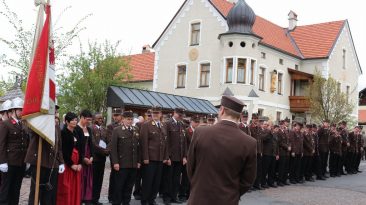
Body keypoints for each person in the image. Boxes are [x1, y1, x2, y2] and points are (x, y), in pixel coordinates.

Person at [187, 96, 257, 205]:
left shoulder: (200, 132)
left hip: (199, 198)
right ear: (239, 115)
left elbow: (190, 167)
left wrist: (198, 186)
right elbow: (248, 180)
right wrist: (232, 193)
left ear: (222, 110)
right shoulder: (249, 142)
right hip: (228, 199)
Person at [25, 112, 65, 205]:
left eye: (55, 113)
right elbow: (29, 130)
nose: (55, 114)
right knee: (35, 192)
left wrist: (61, 162)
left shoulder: (57, 127)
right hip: (39, 161)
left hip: (53, 163)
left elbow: (59, 147)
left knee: (49, 194)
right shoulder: (38, 124)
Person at [0, 97, 28, 205]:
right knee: (6, 190)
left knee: (16, 190)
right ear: (13, 111)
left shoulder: (23, 124)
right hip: (9, 163)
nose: (21, 112)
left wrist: (27, 160)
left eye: (22, 110)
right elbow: (1, 144)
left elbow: (25, 143)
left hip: (20, 163)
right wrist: (2, 161)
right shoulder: (6, 124)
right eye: (19, 110)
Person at [110, 110, 141, 205]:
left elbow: (138, 147)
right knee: (119, 186)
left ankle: (126, 202)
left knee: (129, 186)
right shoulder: (117, 130)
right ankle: (117, 202)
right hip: (122, 163)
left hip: (133, 163)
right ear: (123, 119)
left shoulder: (135, 129)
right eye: (128, 119)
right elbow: (113, 148)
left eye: (131, 119)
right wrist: (115, 162)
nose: (130, 121)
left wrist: (138, 161)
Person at [140, 106, 169, 205]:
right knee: (148, 181)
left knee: (156, 182)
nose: (155, 115)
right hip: (150, 159)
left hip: (160, 159)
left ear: (161, 114)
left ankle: (151, 199)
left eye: (157, 113)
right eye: (154, 113)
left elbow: (165, 143)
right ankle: (144, 200)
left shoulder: (163, 125)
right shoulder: (146, 125)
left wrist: (165, 157)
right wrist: (145, 158)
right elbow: (144, 143)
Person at [56, 112, 83, 205]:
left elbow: (80, 148)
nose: (75, 122)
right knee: (66, 187)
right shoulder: (63, 133)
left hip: (77, 163)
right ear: (67, 122)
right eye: (72, 120)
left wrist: (80, 163)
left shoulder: (76, 132)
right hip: (68, 165)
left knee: (75, 187)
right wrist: (71, 164)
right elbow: (63, 151)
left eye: (76, 120)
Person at [163, 108, 187, 205]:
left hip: (179, 157)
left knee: (176, 179)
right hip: (171, 156)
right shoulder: (168, 124)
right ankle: (167, 198)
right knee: (168, 178)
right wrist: (167, 156)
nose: (180, 115)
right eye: (178, 114)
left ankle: (173, 196)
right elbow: (166, 142)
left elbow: (184, 142)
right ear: (174, 113)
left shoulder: (182, 124)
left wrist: (184, 156)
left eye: (181, 114)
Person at [75, 109, 94, 204]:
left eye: (90, 120)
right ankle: (79, 197)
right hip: (80, 156)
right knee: (80, 179)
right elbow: (76, 146)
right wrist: (83, 159)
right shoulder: (76, 129)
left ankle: (86, 197)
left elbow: (91, 144)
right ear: (81, 117)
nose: (89, 122)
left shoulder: (89, 129)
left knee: (88, 178)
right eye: (87, 119)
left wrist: (91, 157)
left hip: (88, 156)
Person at [179, 115, 200, 201]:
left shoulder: (199, 131)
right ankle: (182, 195)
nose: (197, 123)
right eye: (196, 122)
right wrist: (184, 156)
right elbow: (184, 145)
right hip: (188, 157)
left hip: (196, 158)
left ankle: (190, 194)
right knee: (185, 177)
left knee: (193, 178)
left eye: (198, 122)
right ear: (191, 122)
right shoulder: (187, 131)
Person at [133, 109, 152, 200]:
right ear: (145, 116)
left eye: (150, 115)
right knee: (138, 176)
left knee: (147, 176)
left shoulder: (154, 126)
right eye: (148, 115)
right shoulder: (139, 125)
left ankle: (145, 192)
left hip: (150, 155)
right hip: (140, 153)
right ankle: (137, 192)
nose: (149, 117)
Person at [92, 113, 109, 205]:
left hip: (102, 159)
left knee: (100, 180)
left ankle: (96, 199)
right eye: (99, 118)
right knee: (94, 180)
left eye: (102, 118)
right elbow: (93, 144)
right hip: (95, 159)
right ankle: (91, 199)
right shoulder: (91, 128)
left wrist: (108, 150)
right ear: (94, 118)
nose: (101, 120)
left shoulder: (104, 129)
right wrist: (104, 151)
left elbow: (108, 141)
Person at [108, 108, 123, 203]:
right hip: (115, 154)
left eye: (118, 115)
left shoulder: (125, 124)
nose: (116, 117)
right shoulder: (111, 126)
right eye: (115, 115)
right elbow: (110, 140)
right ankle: (111, 196)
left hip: (125, 155)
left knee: (122, 176)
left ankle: (119, 195)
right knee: (114, 176)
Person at [261, 122, 279, 188]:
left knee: (272, 170)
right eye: (269, 126)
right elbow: (263, 138)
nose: (270, 127)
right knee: (265, 169)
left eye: (271, 126)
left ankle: (270, 182)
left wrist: (277, 154)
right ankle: (263, 183)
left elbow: (276, 144)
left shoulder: (274, 134)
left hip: (273, 154)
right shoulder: (264, 132)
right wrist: (269, 132)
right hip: (266, 154)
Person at [250, 113, 263, 190]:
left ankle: (257, 184)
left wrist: (261, 151)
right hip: (253, 151)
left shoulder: (259, 128)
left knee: (258, 169)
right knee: (252, 169)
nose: (256, 120)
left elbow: (260, 140)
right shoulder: (250, 127)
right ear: (252, 119)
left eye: (257, 119)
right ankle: (251, 185)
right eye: (254, 119)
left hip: (259, 151)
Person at [277, 120, 291, 186]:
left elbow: (289, 140)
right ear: (279, 125)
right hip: (282, 151)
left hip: (287, 152)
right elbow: (280, 142)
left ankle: (284, 180)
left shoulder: (286, 131)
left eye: (283, 124)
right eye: (281, 124)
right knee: (281, 168)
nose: (282, 126)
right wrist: (287, 147)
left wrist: (290, 146)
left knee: (286, 167)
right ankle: (279, 181)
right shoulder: (278, 132)